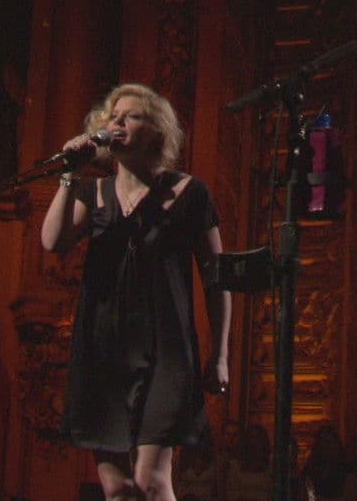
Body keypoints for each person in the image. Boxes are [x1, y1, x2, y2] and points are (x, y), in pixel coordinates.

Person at [41, 83, 232, 501]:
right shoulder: (95, 192)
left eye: (131, 116)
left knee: (152, 481)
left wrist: (219, 355)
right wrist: (70, 174)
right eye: (113, 117)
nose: (118, 123)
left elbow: (217, 279)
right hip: (103, 350)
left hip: (166, 351)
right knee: (119, 489)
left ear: (156, 130)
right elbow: (53, 240)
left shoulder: (189, 193)